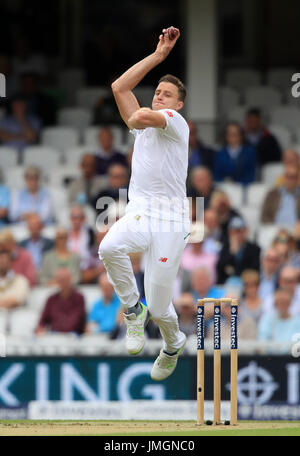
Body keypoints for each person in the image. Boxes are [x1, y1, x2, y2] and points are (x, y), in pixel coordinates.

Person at [99, 27, 191, 382]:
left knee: (161, 305)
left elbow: (137, 115)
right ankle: (132, 311)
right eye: (157, 92)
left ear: (178, 104)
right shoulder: (143, 126)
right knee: (109, 247)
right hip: (140, 212)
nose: (159, 97)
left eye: (167, 95)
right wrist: (157, 57)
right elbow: (119, 88)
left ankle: (173, 343)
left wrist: (139, 113)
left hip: (171, 222)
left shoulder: (174, 121)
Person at [35, 268, 86, 335]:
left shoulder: (79, 298)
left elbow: (77, 320)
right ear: (57, 281)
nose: (63, 282)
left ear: (70, 279)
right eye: (60, 280)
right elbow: (43, 321)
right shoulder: (51, 299)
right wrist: (40, 328)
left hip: (74, 337)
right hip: (54, 336)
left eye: (65, 279)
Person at [217, 216, 261, 284]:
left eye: (240, 231)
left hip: (247, 284)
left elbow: (253, 270)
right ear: (229, 233)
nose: (238, 235)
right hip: (226, 285)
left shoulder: (254, 249)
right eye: (234, 232)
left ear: (246, 231)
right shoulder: (225, 248)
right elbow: (220, 269)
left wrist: (233, 271)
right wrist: (232, 253)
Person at [0, 95, 40, 161]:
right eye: (16, 104)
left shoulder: (34, 120)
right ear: (12, 105)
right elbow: (2, 136)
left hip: (27, 154)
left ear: (26, 105)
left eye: (22, 104)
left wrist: (21, 118)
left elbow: (31, 138)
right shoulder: (4, 120)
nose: (19, 106)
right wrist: (24, 136)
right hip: (6, 154)